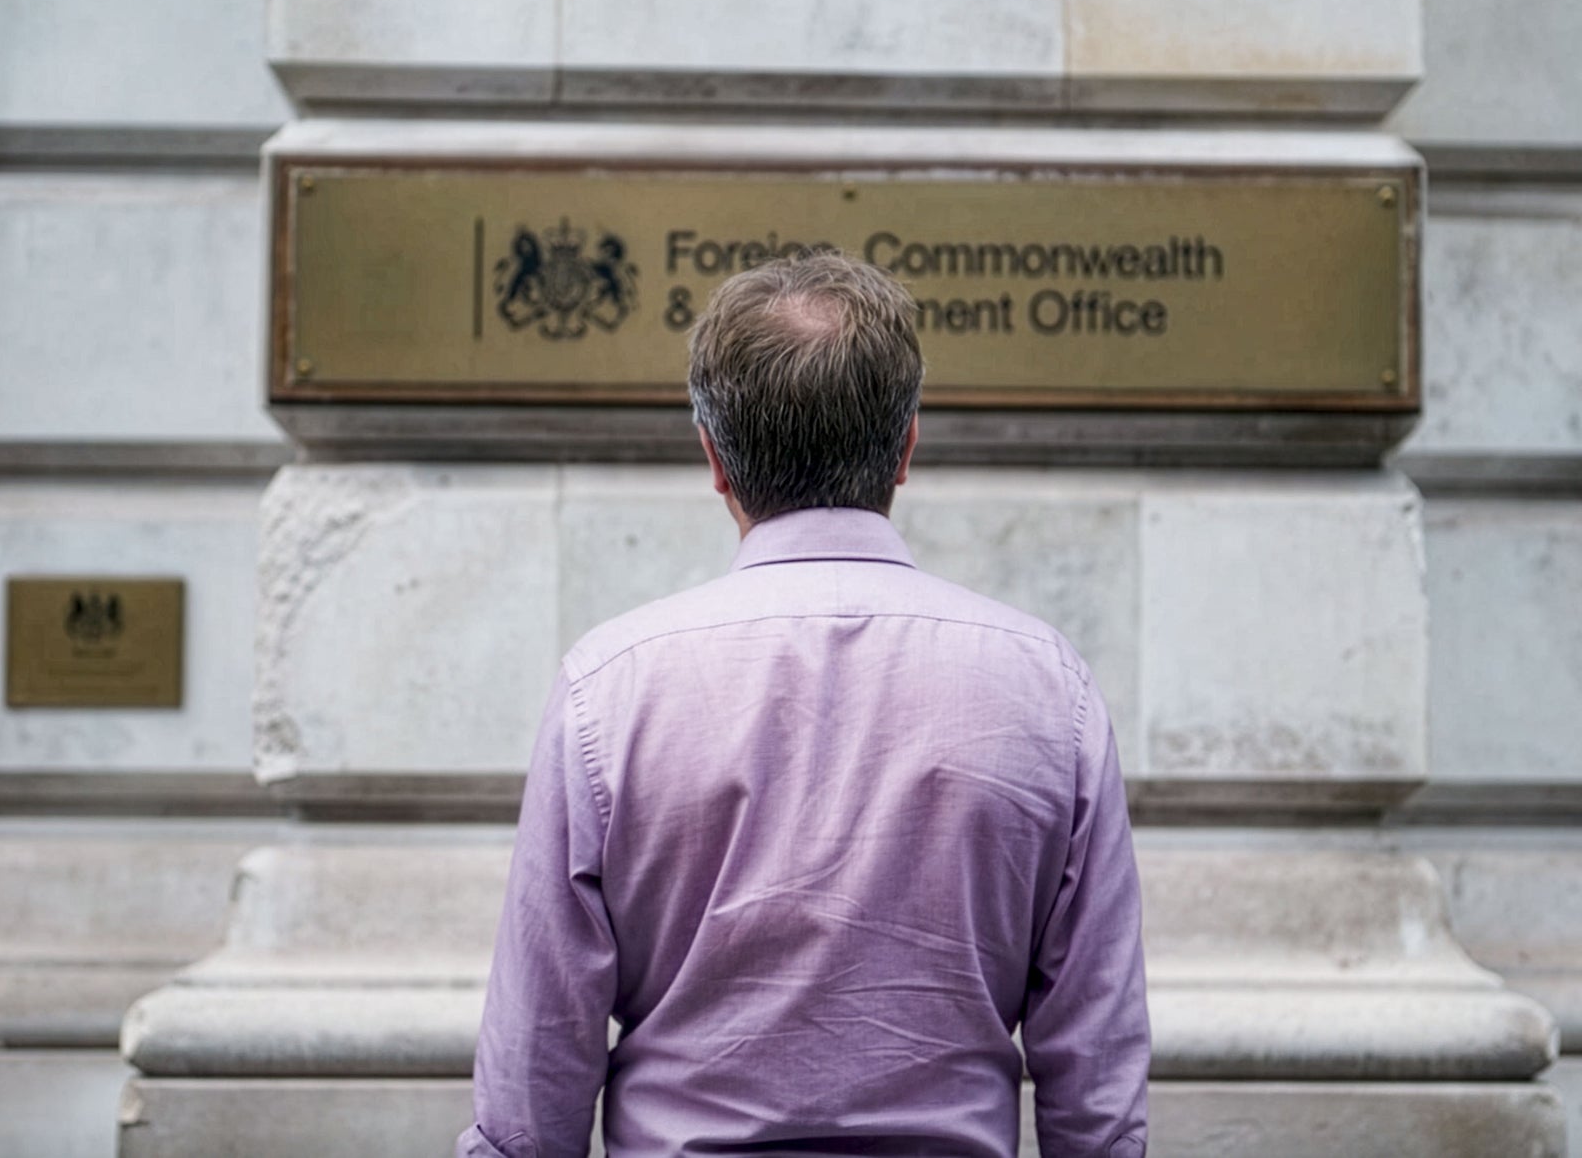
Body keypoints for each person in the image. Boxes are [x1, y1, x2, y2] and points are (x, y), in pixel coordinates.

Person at [457, 251, 1150, 1158]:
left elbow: (533, 1077)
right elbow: (1095, 1078)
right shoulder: (1045, 684)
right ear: (905, 447)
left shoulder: (611, 687)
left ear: (714, 458)